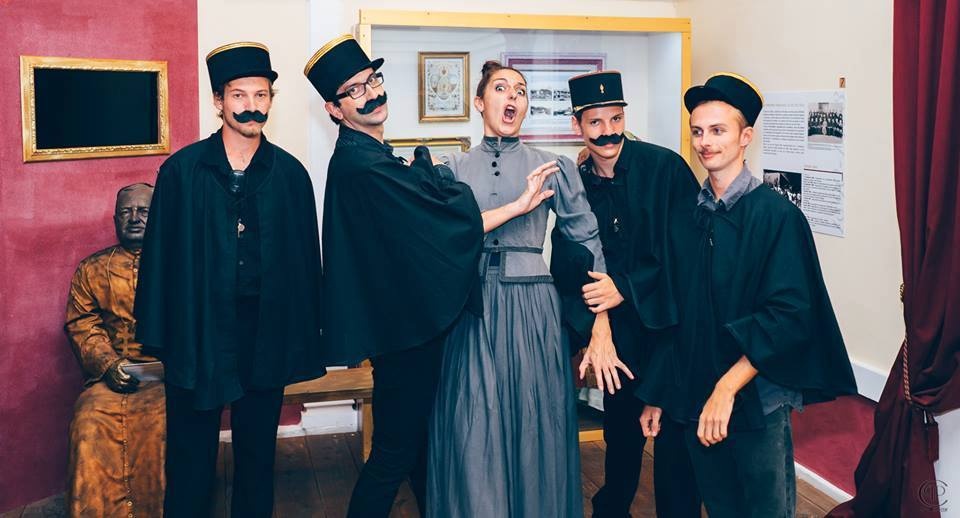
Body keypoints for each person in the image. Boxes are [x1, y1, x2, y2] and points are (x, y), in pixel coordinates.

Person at [636, 73, 857, 518]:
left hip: (756, 399)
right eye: (698, 131)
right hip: (697, 395)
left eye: (718, 130)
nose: (705, 142)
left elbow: (789, 315)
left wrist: (727, 387)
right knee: (721, 507)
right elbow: (673, 311)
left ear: (745, 137)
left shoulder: (777, 218)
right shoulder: (685, 218)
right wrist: (658, 392)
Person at [426, 60, 627, 518]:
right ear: (480, 102)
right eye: (501, 88)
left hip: (533, 308)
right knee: (470, 423)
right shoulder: (451, 168)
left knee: (535, 422)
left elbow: (587, 240)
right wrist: (517, 205)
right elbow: (440, 237)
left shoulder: (553, 167)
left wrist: (601, 322)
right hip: (470, 308)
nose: (513, 97)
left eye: (520, 91)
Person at [135, 42, 325, 517]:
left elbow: (305, 264)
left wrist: (306, 333)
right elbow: (160, 259)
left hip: (263, 332)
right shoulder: (181, 172)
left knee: (258, 454)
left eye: (261, 95)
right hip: (198, 330)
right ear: (218, 101)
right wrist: (162, 335)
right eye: (239, 95)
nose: (251, 106)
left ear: (271, 100)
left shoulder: (291, 175)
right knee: (190, 454)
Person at [304, 35, 483, 517]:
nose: (371, 94)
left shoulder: (373, 157)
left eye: (373, 81)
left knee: (416, 445)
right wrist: (437, 175)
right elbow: (445, 218)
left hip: (401, 329)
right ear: (334, 109)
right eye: (354, 91)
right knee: (393, 453)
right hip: (403, 335)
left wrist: (422, 171)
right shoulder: (363, 165)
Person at [551, 70, 702, 518]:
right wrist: (592, 332)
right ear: (577, 125)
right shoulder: (576, 184)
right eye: (595, 122)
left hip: (673, 336)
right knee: (620, 446)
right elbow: (568, 266)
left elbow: (690, 256)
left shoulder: (666, 169)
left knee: (676, 457)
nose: (608, 132)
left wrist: (625, 287)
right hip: (619, 343)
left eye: (615, 119)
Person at [65, 183, 163, 517]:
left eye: (143, 211)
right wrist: (108, 364)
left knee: (162, 426)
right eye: (126, 212)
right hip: (108, 379)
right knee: (88, 421)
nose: (134, 218)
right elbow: (82, 324)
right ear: (115, 220)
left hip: (166, 381)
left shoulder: (179, 265)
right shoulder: (91, 269)